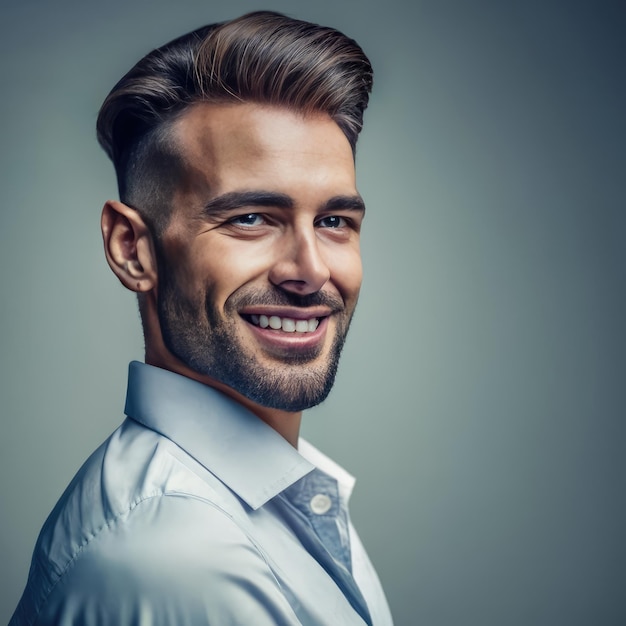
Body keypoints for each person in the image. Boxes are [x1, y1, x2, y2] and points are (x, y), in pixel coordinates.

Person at [11, 10, 392, 625]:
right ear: (132, 249)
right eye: (251, 218)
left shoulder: (274, 502)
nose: (312, 270)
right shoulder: (182, 553)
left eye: (333, 221)